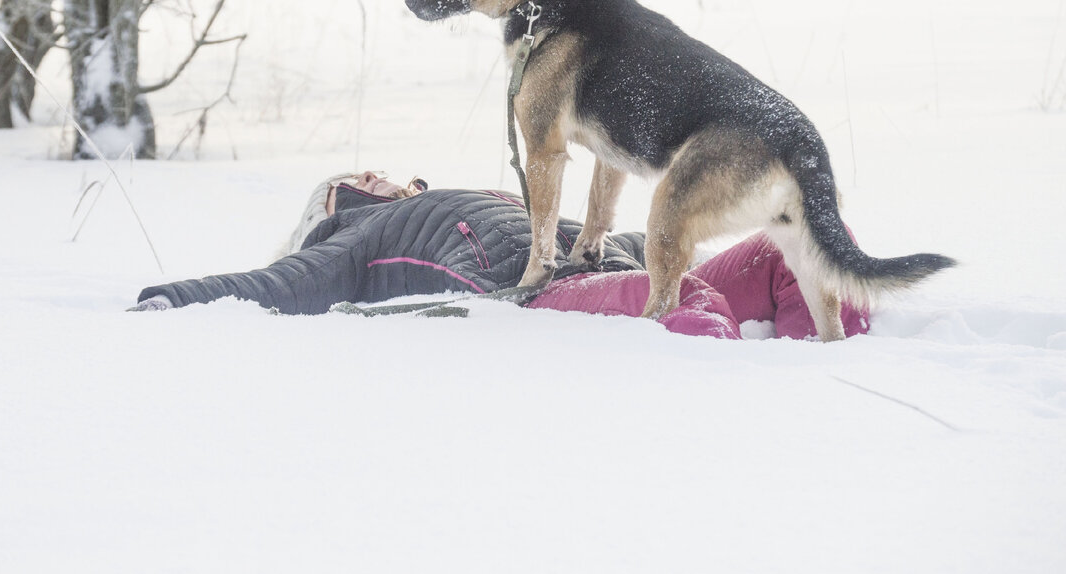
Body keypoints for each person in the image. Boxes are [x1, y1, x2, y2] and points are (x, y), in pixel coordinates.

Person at [133, 171, 869, 340]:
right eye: (361, 182)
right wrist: (168, 296)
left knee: (806, 241)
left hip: (606, 269)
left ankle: (815, 376)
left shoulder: (495, 197)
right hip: (536, 295)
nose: (387, 182)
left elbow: (624, 246)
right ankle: (742, 386)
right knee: (681, 307)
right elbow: (272, 284)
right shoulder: (354, 240)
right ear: (332, 211)